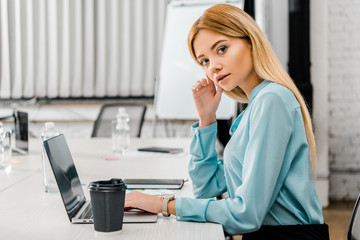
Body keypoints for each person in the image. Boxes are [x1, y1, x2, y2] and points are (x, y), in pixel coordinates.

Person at [125, 4, 329, 239]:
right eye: (204, 61)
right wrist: (206, 119)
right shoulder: (255, 106)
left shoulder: (272, 100)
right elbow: (206, 187)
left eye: (221, 49)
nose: (213, 67)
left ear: (250, 41)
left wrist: (164, 205)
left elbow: (246, 214)